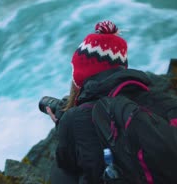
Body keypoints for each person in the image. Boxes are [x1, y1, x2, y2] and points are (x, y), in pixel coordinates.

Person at [46, 20, 150, 183]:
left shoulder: (75, 118)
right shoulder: (144, 92)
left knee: (60, 172)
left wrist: (63, 125)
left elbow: (66, 162)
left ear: (80, 76)